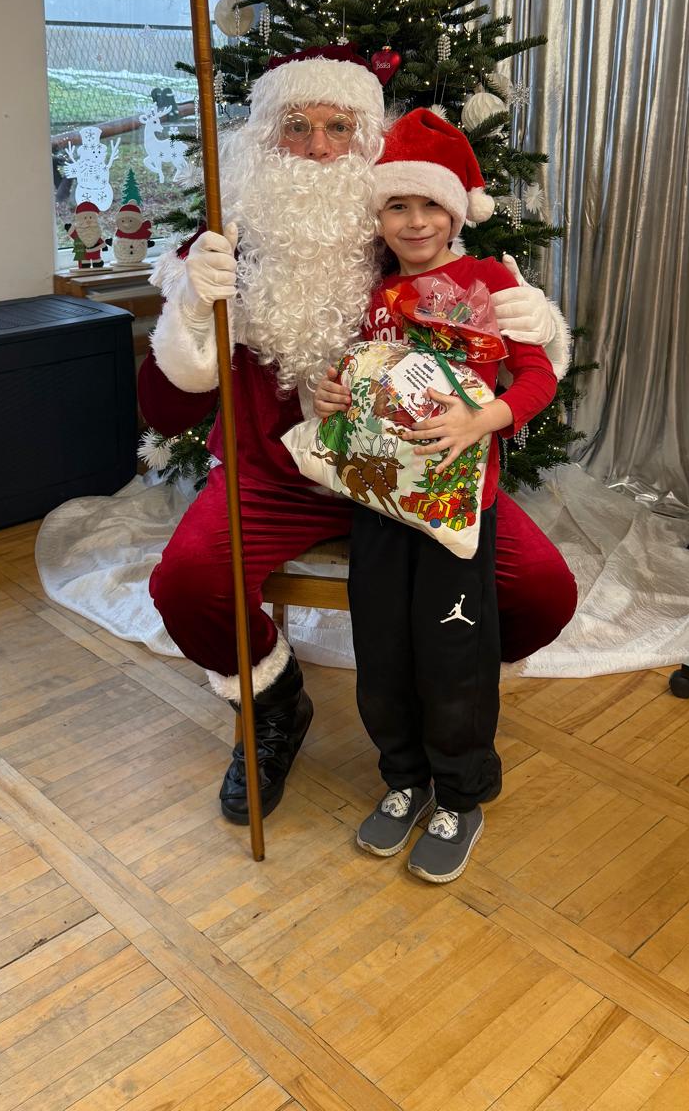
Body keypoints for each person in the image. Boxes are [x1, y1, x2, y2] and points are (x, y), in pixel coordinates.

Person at [139, 46, 576, 825]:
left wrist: (536, 324)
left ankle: (451, 696)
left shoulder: (410, 238)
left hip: (413, 482)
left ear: (369, 141)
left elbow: (508, 361)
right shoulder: (222, 252)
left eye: (338, 127)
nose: (316, 148)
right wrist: (191, 312)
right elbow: (166, 409)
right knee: (187, 584)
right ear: (263, 139)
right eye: (295, 126)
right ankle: (273, 702)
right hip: (272, 477)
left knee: (541, 590)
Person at [315, 109, 558, 883]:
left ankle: (459, 796)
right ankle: (404, 780)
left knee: (453, 656)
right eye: (397, 205)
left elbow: (538, 378)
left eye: (430, 206)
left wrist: (484, 419)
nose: (415, 222)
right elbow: (356, 379)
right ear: (378, 214)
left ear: (456, 212)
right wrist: (330, 392)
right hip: (381, 501)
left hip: (456, 512)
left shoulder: (491, 283)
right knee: (382, 651)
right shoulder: (373, 294)